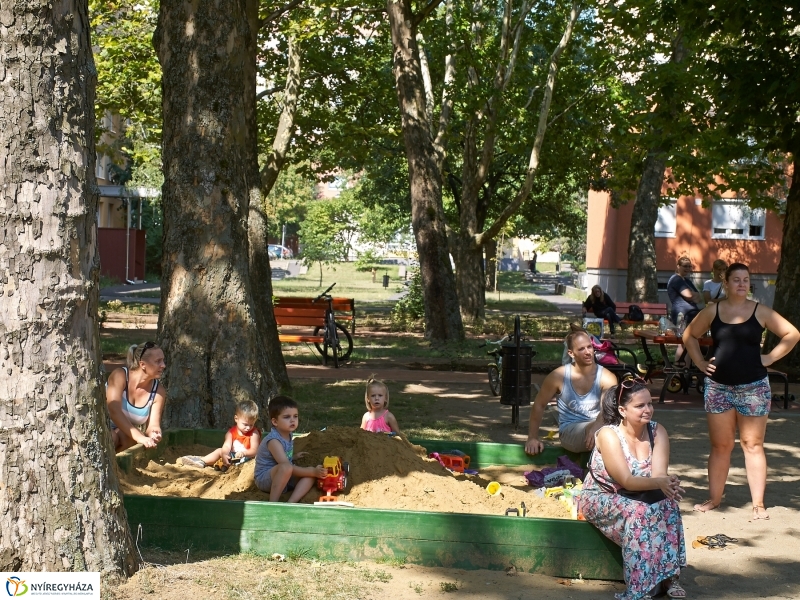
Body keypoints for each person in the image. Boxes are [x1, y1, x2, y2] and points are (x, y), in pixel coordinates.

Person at [683, 263, 800, 519]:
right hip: (718, 387)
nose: (741, 284)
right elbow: (689, 336)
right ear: (725, 282)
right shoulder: (713, 310)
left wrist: (770, 357)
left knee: (752, 444)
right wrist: (700, 362)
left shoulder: (760, 311)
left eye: (745, 280)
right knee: (721, 445)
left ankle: (758, 504)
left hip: (753, 387)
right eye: (736, 279)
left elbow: (792, 334)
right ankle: (714, 499)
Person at [580, 377, 686, 600]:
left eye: (650, 403)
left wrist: (668, 485)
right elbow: (626, 480)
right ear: (622, 410)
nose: (648, 410)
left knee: (668, 506)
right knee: (639, 513)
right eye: (640, 406)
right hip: (602, 495)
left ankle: (669, 577)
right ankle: (639, 588)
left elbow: (658, 475)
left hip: (637, 494)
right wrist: (659, 483)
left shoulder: (657, 431)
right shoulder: (609, 435)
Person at [525, 330, 618, 454]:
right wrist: (532, 438)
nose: (588, 352)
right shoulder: (558, 376)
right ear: (571, 353)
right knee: (607, 432)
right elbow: (539, 404)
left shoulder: (607, 377)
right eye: (581, 349)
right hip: (571, 430)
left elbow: (606, 410)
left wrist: (597, 426)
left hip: (599, 427)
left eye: (589, 347)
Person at [254, 395, 327, 502]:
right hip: (265, 479)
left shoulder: (288, 434)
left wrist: (293, 457)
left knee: (310, 477)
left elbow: (282, 459)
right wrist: (312, 471)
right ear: (275, 422)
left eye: (295, 416)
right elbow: (286, 466)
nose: (292, 420)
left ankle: (291, 503)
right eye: (287, 417)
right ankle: (273, 503)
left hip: (284, 475)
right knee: (293, 469)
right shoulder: (274, 441)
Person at [106, 341, 167, 452]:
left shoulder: (159, 392)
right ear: (142, 364)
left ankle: (118, 462)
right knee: (111, 437)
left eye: (163, 360)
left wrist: (155, 433)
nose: (163, 365)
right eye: (158, 361)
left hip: (121, 431)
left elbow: (153, 425)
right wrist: (139, 437)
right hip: (101, 426)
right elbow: (113, 411)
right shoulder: (120, 375)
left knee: (130, 440)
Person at [180, 400, 261, 470]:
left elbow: (254, 450)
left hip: (248, 458)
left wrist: (244, 453)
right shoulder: (231, 433)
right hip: (233, 457)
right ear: (236, 419)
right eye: (245, 424)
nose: (248, 428)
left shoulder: (254, 433)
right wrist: (224, 454)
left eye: (251, 425)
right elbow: (227, 445)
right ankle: (202, 461)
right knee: (220, 450)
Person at [667, 256, 702, 326]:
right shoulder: (676, 279)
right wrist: (692, 295)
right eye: (685, 266)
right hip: (682, 315)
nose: (688, 268)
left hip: (692, 315)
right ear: (678, 266)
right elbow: (688, 295)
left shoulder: (687, 281)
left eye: (689, 266)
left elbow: (698, 298)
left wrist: (692, 295)